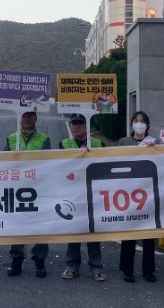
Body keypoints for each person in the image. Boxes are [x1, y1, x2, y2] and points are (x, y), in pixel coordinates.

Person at [59, 114, 107, 282]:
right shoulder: (63, 145)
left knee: (93, 231)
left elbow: (106, 166)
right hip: (72, 194)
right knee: (74, 231)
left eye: (80, 123)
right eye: (74, 124)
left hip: (93, 194)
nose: (77, 127)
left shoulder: (98, 144)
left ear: (86, 126)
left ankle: (96, 267)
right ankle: (72, 266)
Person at [4, 111, 52, 278]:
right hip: (17, 190)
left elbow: (49, 164)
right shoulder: (11, 138)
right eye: (24, 116)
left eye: (30, 116)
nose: (27, 119)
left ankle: (40, 261)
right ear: (20, 119)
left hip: (38, 190)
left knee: (40, 227)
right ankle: (16, 261)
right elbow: (0, 162)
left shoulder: (44, 139)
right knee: (17, 226)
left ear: (35, 119)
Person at [117, 111, 158, 283]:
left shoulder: (155, 142)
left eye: (142, 121)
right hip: (128, 191)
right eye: (136, 120)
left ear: (147, 125)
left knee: (149, 233)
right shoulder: (123, 142)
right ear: (132, 123)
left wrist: (155, 151)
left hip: (149, 192)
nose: (139, 124)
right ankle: (127, 270)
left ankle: (149, 270)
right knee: (129, 232)